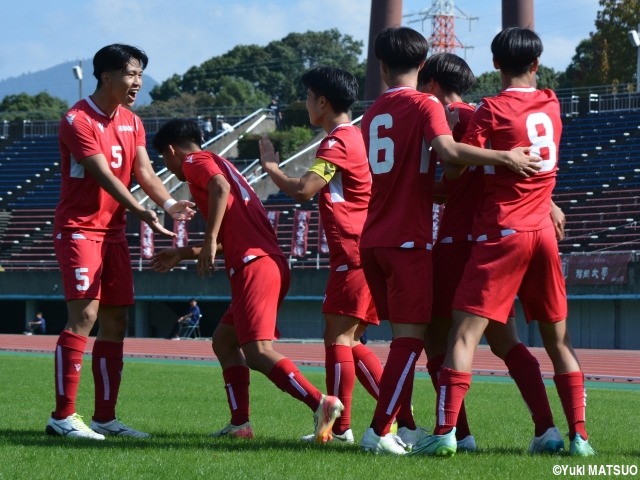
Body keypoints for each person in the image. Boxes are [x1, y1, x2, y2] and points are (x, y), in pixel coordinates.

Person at [357, 26, 542, 455]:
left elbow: (419, 178)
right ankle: (383, 430)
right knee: (431, 340)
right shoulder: (437, 107)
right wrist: (509, 161)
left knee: (428, 340)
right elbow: (451, 156)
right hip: (434, 241)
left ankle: (452, 432)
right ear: (421, 69)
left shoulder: (372, 114)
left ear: (382, 67)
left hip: (375, 239)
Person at [416, 27, 595, 457]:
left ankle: (450, 434)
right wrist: (548, 199)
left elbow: (456, 171)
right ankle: (565, 434)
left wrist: (415, 188)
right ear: (536, 63)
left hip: (486, 236)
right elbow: (528, 158)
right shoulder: (551, 102)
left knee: (450, 339)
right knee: (528, 341)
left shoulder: (476, 113)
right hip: (538, 234)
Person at [150, 118, 343, 443]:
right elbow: (236, 233)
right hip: (263, 262)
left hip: (256, 265)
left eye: (164, 161)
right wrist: (185, 252)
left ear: (171, 151)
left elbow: (219, 189)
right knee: (224, 341)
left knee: (256, 350)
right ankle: (240, 424)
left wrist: (209, 239)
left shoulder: (195, 160)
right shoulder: (222, 164)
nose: (168, 169)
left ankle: (320, 403)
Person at [45, 44, 196, 441]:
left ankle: (105, 418)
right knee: (85, 316)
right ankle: (62, 416)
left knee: (117, 320)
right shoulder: (77, 119)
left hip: (112, 233)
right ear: (105, 76)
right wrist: (141, 211)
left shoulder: (132, 121)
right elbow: (104, 176)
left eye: (141, 75)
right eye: (131, 74)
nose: (138, 83)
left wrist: (167, 203)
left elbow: (142, 170)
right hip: (79, 229)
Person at [258, 66, 387, 445]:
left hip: (353, 249)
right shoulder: (356, 137)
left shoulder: (337, 142)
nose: (307, 105)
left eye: (309, 97)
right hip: (361, 248)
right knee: (349, 338)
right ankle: (397, 416)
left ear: (323, 102)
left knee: (339, 339)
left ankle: (341, 428)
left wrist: (271, 169)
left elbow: (303, 189)